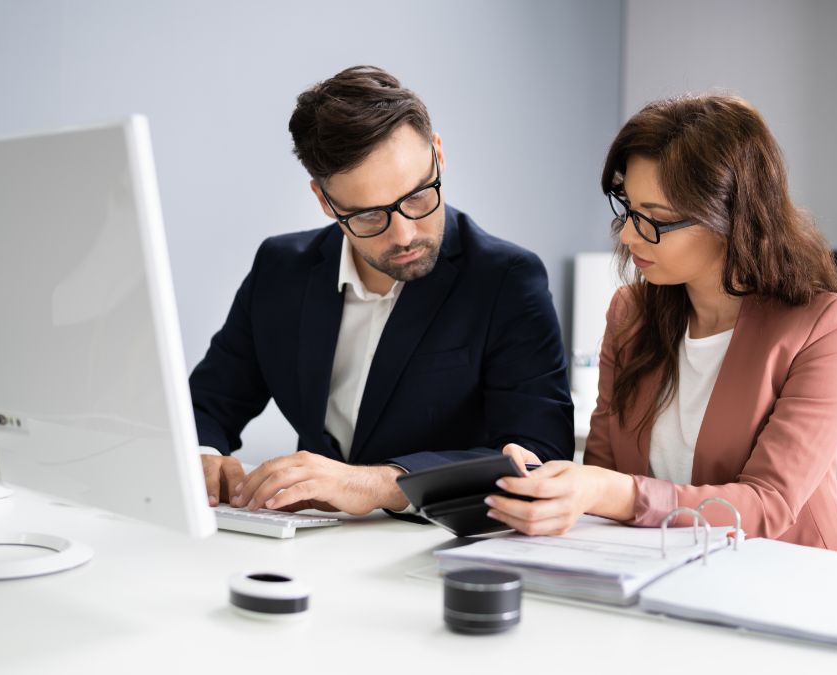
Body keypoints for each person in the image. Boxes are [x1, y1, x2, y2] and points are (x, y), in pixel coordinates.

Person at [489, 94, 837, 554]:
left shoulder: (826, 324)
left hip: (798, 579)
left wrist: (611, 493)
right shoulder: (630, 314)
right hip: (665, 574)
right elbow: (604, 475)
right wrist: (551, 485)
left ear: (732, 218)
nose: (629, 235)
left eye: (657, 220)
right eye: (629, 209)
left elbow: (769, 505)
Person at [190, 66, 573, 516]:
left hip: (432, 549)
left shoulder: (507, 279)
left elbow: (541, 454)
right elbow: (206, 404)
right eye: (369, 216)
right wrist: (202, 456)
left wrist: (377, 485)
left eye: (418, 196)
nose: (406, 233)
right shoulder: (281, 269)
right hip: (305, 544)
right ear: (324, 201)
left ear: (439, 155)